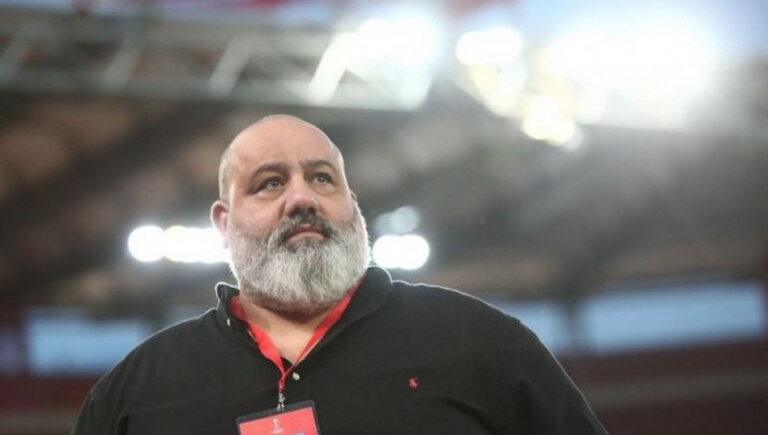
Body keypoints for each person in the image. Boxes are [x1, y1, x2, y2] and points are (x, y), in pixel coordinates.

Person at [72, 115, 607, 434]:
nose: (302, 198)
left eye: (322, 178)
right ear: (223, 223)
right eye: (270, 183)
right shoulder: (136, 393)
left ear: (353, 203)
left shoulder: (479, 341)